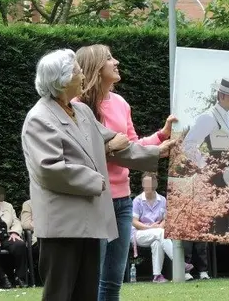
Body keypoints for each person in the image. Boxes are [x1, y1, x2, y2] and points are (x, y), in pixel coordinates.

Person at [22, 49, 175, 301]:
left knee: (87, 293)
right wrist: (96, 179)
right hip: (62, 226)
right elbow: (49, 169)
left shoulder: (81, 112)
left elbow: (118, 148)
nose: (83, 75)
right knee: (60, 294)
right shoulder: (39, 118)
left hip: (89, 222)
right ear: (62, 80)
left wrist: (156, 152)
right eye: (77, 71)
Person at [75, 44, 176, 300]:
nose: (116, 61)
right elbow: (80, 151)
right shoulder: (76, 106)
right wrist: (110, 147)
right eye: (109, 58)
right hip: (93, 199)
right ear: (96, 68)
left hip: (122, 202)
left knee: (112, 281)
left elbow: (131, 146)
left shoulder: (121, 103)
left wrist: (160, 137)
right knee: (91, 278)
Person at [181, 77, 229, 276]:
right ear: (221, 95)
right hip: (213, 173)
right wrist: (206, 166)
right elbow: (188, 145)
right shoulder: (207, 117)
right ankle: (195, 264)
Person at [131, 172, 193, 283]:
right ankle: (180, 263)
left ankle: (157, 276)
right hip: (139, 234)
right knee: (160, 233)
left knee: (158, 242)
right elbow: (134, 222)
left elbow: (166, 219)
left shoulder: (162, 200)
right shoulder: (137, 201)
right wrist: (150, 228)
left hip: (157, 232)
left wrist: (160, 226)